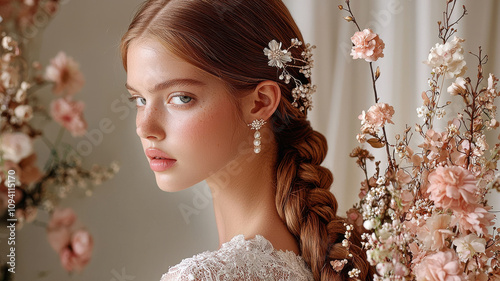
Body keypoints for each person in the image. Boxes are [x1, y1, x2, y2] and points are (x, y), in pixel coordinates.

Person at [121, 0, 371, 280]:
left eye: (181, 98)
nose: (144, 127)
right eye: (140, 99)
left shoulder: (204, 277)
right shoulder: (315, 261)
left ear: (260, 102)